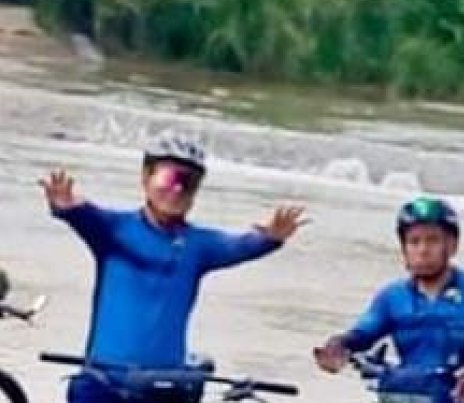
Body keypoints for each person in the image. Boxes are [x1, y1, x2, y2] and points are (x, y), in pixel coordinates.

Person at [40, 129, 307, 403]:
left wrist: (271, 237)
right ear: (145, 178)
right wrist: (64, 206)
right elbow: (82, 214)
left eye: (188, 182)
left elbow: (241, 244)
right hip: (101, 386)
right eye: (170, 177)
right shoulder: (114, 231)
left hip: (165, 389)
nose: (178, 189)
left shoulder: (199, 246)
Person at [312, 195, 464, 403]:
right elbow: (361, 335)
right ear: (404, 249)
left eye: (432, 240)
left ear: (452, 245)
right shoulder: (392, 297)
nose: (423, 250)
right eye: (414, 241)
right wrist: (338, 345)